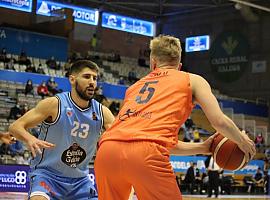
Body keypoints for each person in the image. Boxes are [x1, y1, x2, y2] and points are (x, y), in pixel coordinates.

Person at [94, 35, 256, 200]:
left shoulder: (133, 88)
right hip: (146, 153)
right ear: (179, 65)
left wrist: (203, 147)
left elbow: (150, 140)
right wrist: (242, 141)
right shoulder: (192, 80)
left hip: (107, 150)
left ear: (153, 62)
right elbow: (218, 121)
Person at [9, 60, 115, 200]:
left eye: (95, 78)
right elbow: (14, 127)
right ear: (72, 79)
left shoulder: (103, 113)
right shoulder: (54, 104)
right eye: (87, 76)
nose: (92, 82)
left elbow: (119, 138)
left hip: (80, 181)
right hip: (47, 176)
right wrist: (30, 139)